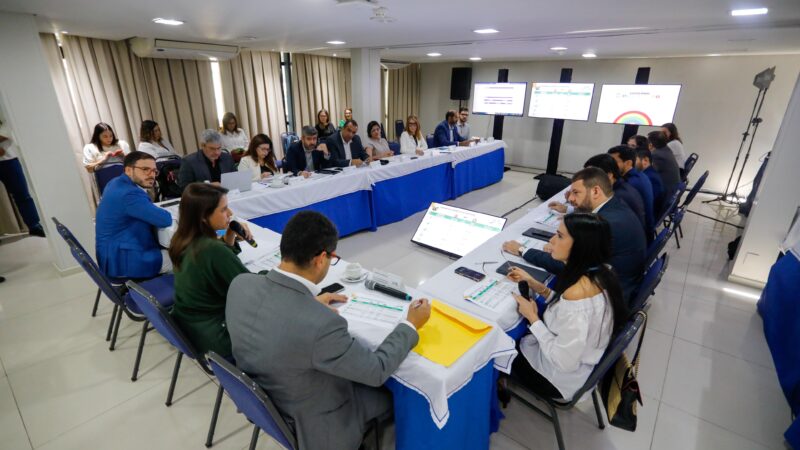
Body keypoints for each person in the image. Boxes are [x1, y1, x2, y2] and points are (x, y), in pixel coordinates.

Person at [226, 210, 431, 450]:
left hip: (270, 402)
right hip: (318, 423)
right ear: (321, 259)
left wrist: (306, 303)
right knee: (401, 393)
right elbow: (377, 370)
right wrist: (410, 324)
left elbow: (276, 314)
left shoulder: (240, 284)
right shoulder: (321, 325)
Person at [504, 213, 628, 401]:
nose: (552, 240)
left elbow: (563, 362)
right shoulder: (601, 272)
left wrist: (533, 318)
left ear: (581, 246)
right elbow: (571, 314)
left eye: (560, 236)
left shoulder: (577, 294)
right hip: (581, 363)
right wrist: (541, 288)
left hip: (558, 379)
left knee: (500, 346)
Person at [503, 167, 646, 302]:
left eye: (576, 193)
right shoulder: (614, 206)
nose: (570, 198)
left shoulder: (607, 224)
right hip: (621, 278)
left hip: (609, 297)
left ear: (596, 191)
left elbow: (569, 267)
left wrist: (523, 250)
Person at [168, 183, 253, 358]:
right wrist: (281, 271)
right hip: (217, 337)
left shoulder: (182, 239)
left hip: (191, 327)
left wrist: (228, 237)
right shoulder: (212, 250)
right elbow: (251, 288)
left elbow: (214, 264)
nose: (230, 214)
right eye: (223, 210)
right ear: (203, 217)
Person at [95, 152, 172, 279]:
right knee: (185, 257)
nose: (151, 175)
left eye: (154, 171)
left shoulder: (115, 182)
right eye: (145, 169)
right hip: (125, 261)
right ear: (128, 170)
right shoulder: (130, 194)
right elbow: (165, 219)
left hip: (110, 255)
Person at [0, 119, 45, 237]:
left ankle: (34, 225)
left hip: (9, 161)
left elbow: (7, 131)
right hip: (8, 161)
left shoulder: (3, 110)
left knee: (22, 195)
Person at [584, 153, 647, 234]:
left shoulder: (618, 196)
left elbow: (595, 222)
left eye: (591, 175)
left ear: (609, 175)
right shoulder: (622, 186)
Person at [608, 145, 655, 239]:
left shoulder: (630, 184)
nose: (609, 166)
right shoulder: (639, 175)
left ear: (628, 163)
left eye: (613, 162)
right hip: (643, 229)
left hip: (638, 235)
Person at [647, 130, 681, 199]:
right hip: (672, 188)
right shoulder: (666, 149)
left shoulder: (656, 155)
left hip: (665, 193)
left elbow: (649, 174)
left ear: (650, 145)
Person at [636, 149, 664, 219]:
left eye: (635, 160)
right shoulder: (650, 173)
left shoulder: (649, 177)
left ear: (645, 160)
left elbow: (646, 202)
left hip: (647, 216)